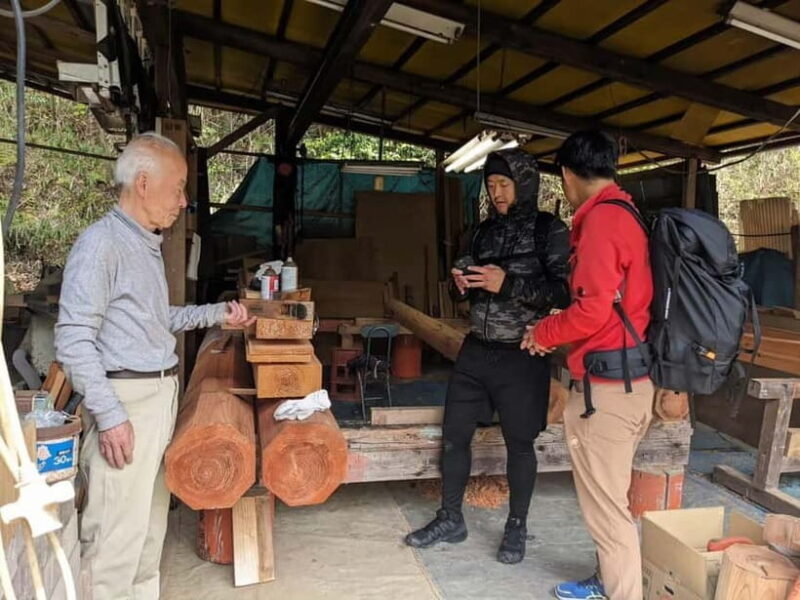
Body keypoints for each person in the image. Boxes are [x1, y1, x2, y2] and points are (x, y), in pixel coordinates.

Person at [55, 132, 254, 599]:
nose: (185, 202)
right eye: (179, 187)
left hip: (157, 398)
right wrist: (110, 414)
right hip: (127, 403)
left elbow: (153, 321)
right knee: (113, 543)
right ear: (143, 183)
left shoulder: (144, 245)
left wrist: (216, 314)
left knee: (147, 533)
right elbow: (73, 336)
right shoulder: (101, 244)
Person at [405, 148, 570, 564]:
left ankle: (516, 527)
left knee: (519, 443)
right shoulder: (482, 232)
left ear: (525, 184)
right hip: (476, 349)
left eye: (505, 185)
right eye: (491, 185)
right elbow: (470, 282)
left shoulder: (548, 231)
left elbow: (563, 292)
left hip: (522, 354)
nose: (497, 193)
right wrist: (460, 282)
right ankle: (450, 518)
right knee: (455, 436)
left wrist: (508, 283)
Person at [522, 131, 654, 600]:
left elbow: (593, 311)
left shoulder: (601, 223)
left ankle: (621, 592)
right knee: (610, 503)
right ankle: (605, 580)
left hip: (607, 394)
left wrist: (543, 334)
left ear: (567, 175)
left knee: (609, 515)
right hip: (630, 379)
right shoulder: (626, 213)